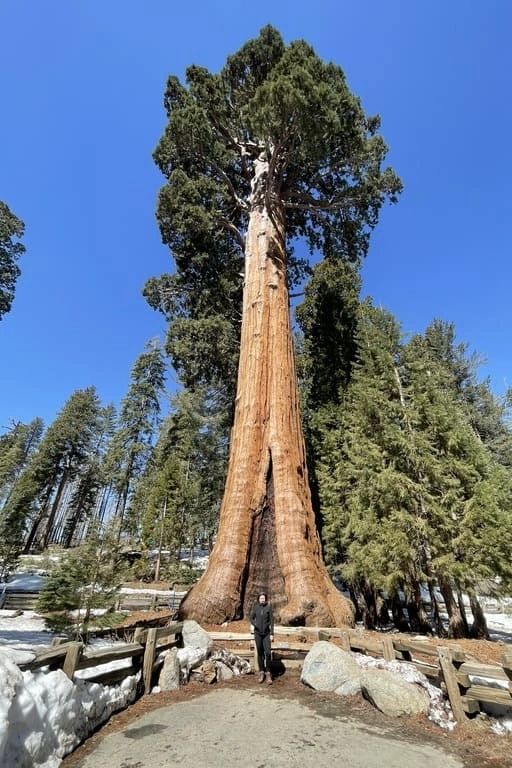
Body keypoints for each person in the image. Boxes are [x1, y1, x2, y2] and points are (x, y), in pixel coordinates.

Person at [250, 592, 274, 684]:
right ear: (258, 599)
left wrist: (272, 633)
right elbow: (251, 618)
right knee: (260, 653)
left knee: (267, 653)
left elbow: (272, 621)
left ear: (266, 599)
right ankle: (261, 672)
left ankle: (268, 673)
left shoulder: (269, 607)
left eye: (264, 598)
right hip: (258, 634)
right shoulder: (255, 607)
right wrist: (255, 624)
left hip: (266, 634)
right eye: (261, 598)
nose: (262, 600)